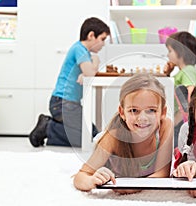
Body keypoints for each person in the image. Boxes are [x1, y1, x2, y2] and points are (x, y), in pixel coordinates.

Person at [73, 73, 173, 193]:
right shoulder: (112, 137)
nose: (142, 118)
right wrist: (91, 181)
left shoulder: (165, 126)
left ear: (163, 112)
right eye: (134, 110)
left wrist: (133, 187)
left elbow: (162, 174)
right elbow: (81, 176)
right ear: (122, 112)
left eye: (151, 110)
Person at [29, 17, 110, 147]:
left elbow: (88, 74)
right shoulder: (79, 49)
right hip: (62, 103)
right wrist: (96, 60)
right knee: (90, 138)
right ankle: (48, 127)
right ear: (91, 35)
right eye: (102, 39)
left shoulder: (83, 52)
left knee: (92, 135)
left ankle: (51, 131)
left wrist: (87, 71)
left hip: (68, 104)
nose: (103, 44)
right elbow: (90, 73)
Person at [163, 31, 196, 147]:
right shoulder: (181, 72)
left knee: (176, 148)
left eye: (170, 51)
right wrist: (167, 74)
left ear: (180, 52)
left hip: (181, 120)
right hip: (177, 119)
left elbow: (190, 94)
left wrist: (177, 119)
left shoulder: (188, 70)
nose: (168, 55)